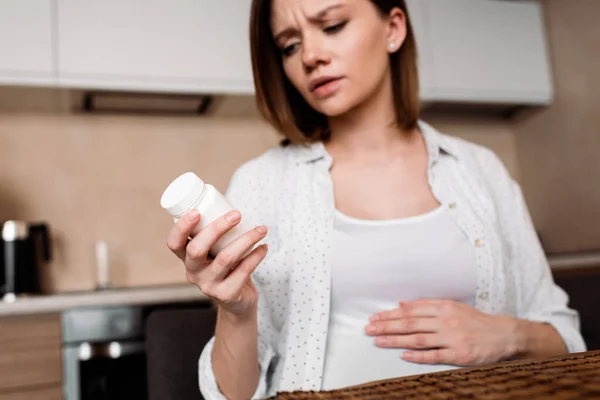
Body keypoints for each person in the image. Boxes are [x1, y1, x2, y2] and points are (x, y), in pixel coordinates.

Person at [166, 0, 586, 399]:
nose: (310, 55)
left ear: (393, 28)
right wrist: (236, 312)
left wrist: (506, 335)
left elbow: (566, 339)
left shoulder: (479, 170)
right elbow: (237, 395)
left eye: (332, 26)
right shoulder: (262, 182)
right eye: (289, 45)